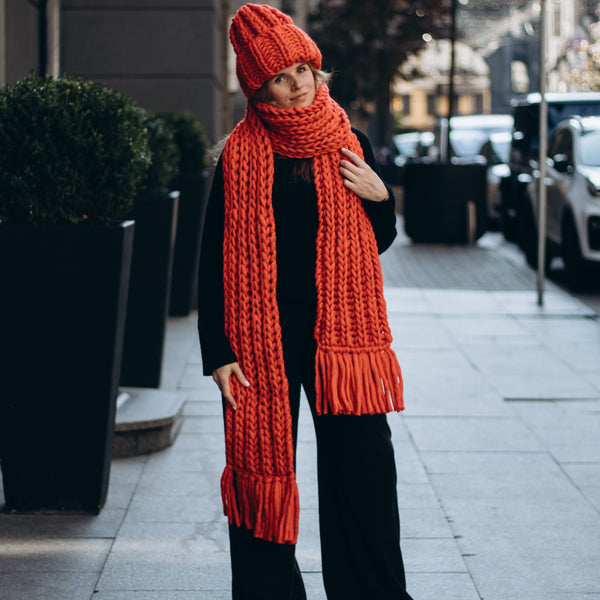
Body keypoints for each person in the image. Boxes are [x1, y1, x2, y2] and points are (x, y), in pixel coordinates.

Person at [198, 4, 413, 599]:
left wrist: (380, 196)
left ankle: (372, 591)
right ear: (258, 88)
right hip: (257, 339)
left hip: (341, 339)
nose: (297, 86)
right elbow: (213, 259)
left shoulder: (350, 143)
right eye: (281, 78)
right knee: (260, 474)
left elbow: (382, 242)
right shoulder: (240, 156)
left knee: (364, 472)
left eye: (303, 70)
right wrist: (216, 351)